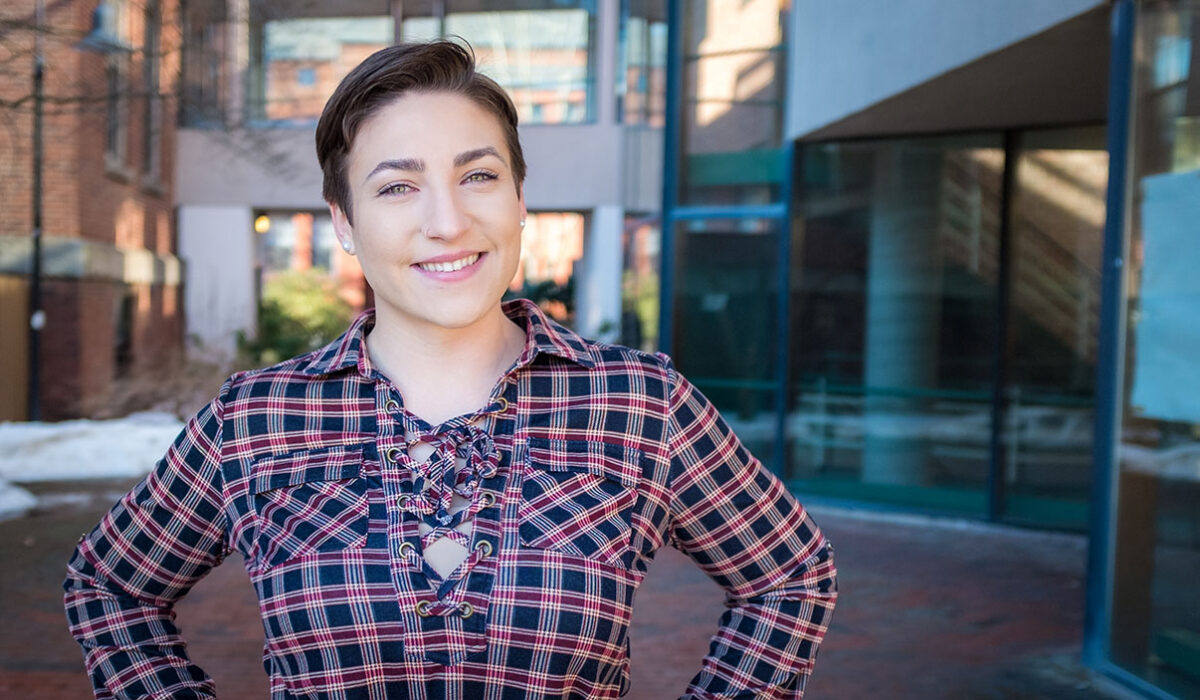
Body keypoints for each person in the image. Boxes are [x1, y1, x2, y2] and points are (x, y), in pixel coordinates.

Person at [64, 41, 837, 699]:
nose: (447, 221)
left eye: (478, 176)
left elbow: (790, 575)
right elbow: (110, 587)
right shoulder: (255, 418)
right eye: (398, 186)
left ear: (520, 198)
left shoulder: (639, 403)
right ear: (344, 222)